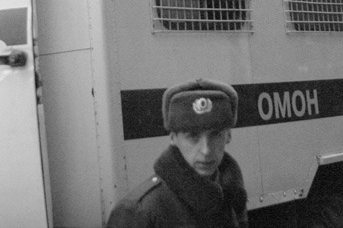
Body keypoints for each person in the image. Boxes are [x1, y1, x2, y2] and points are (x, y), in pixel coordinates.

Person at [106, 78, 248, 228]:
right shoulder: (137, 212)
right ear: (173, 138)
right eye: (193, 136)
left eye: (215, 134)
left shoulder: (232, 194)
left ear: (228, 136)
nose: (206, 150)